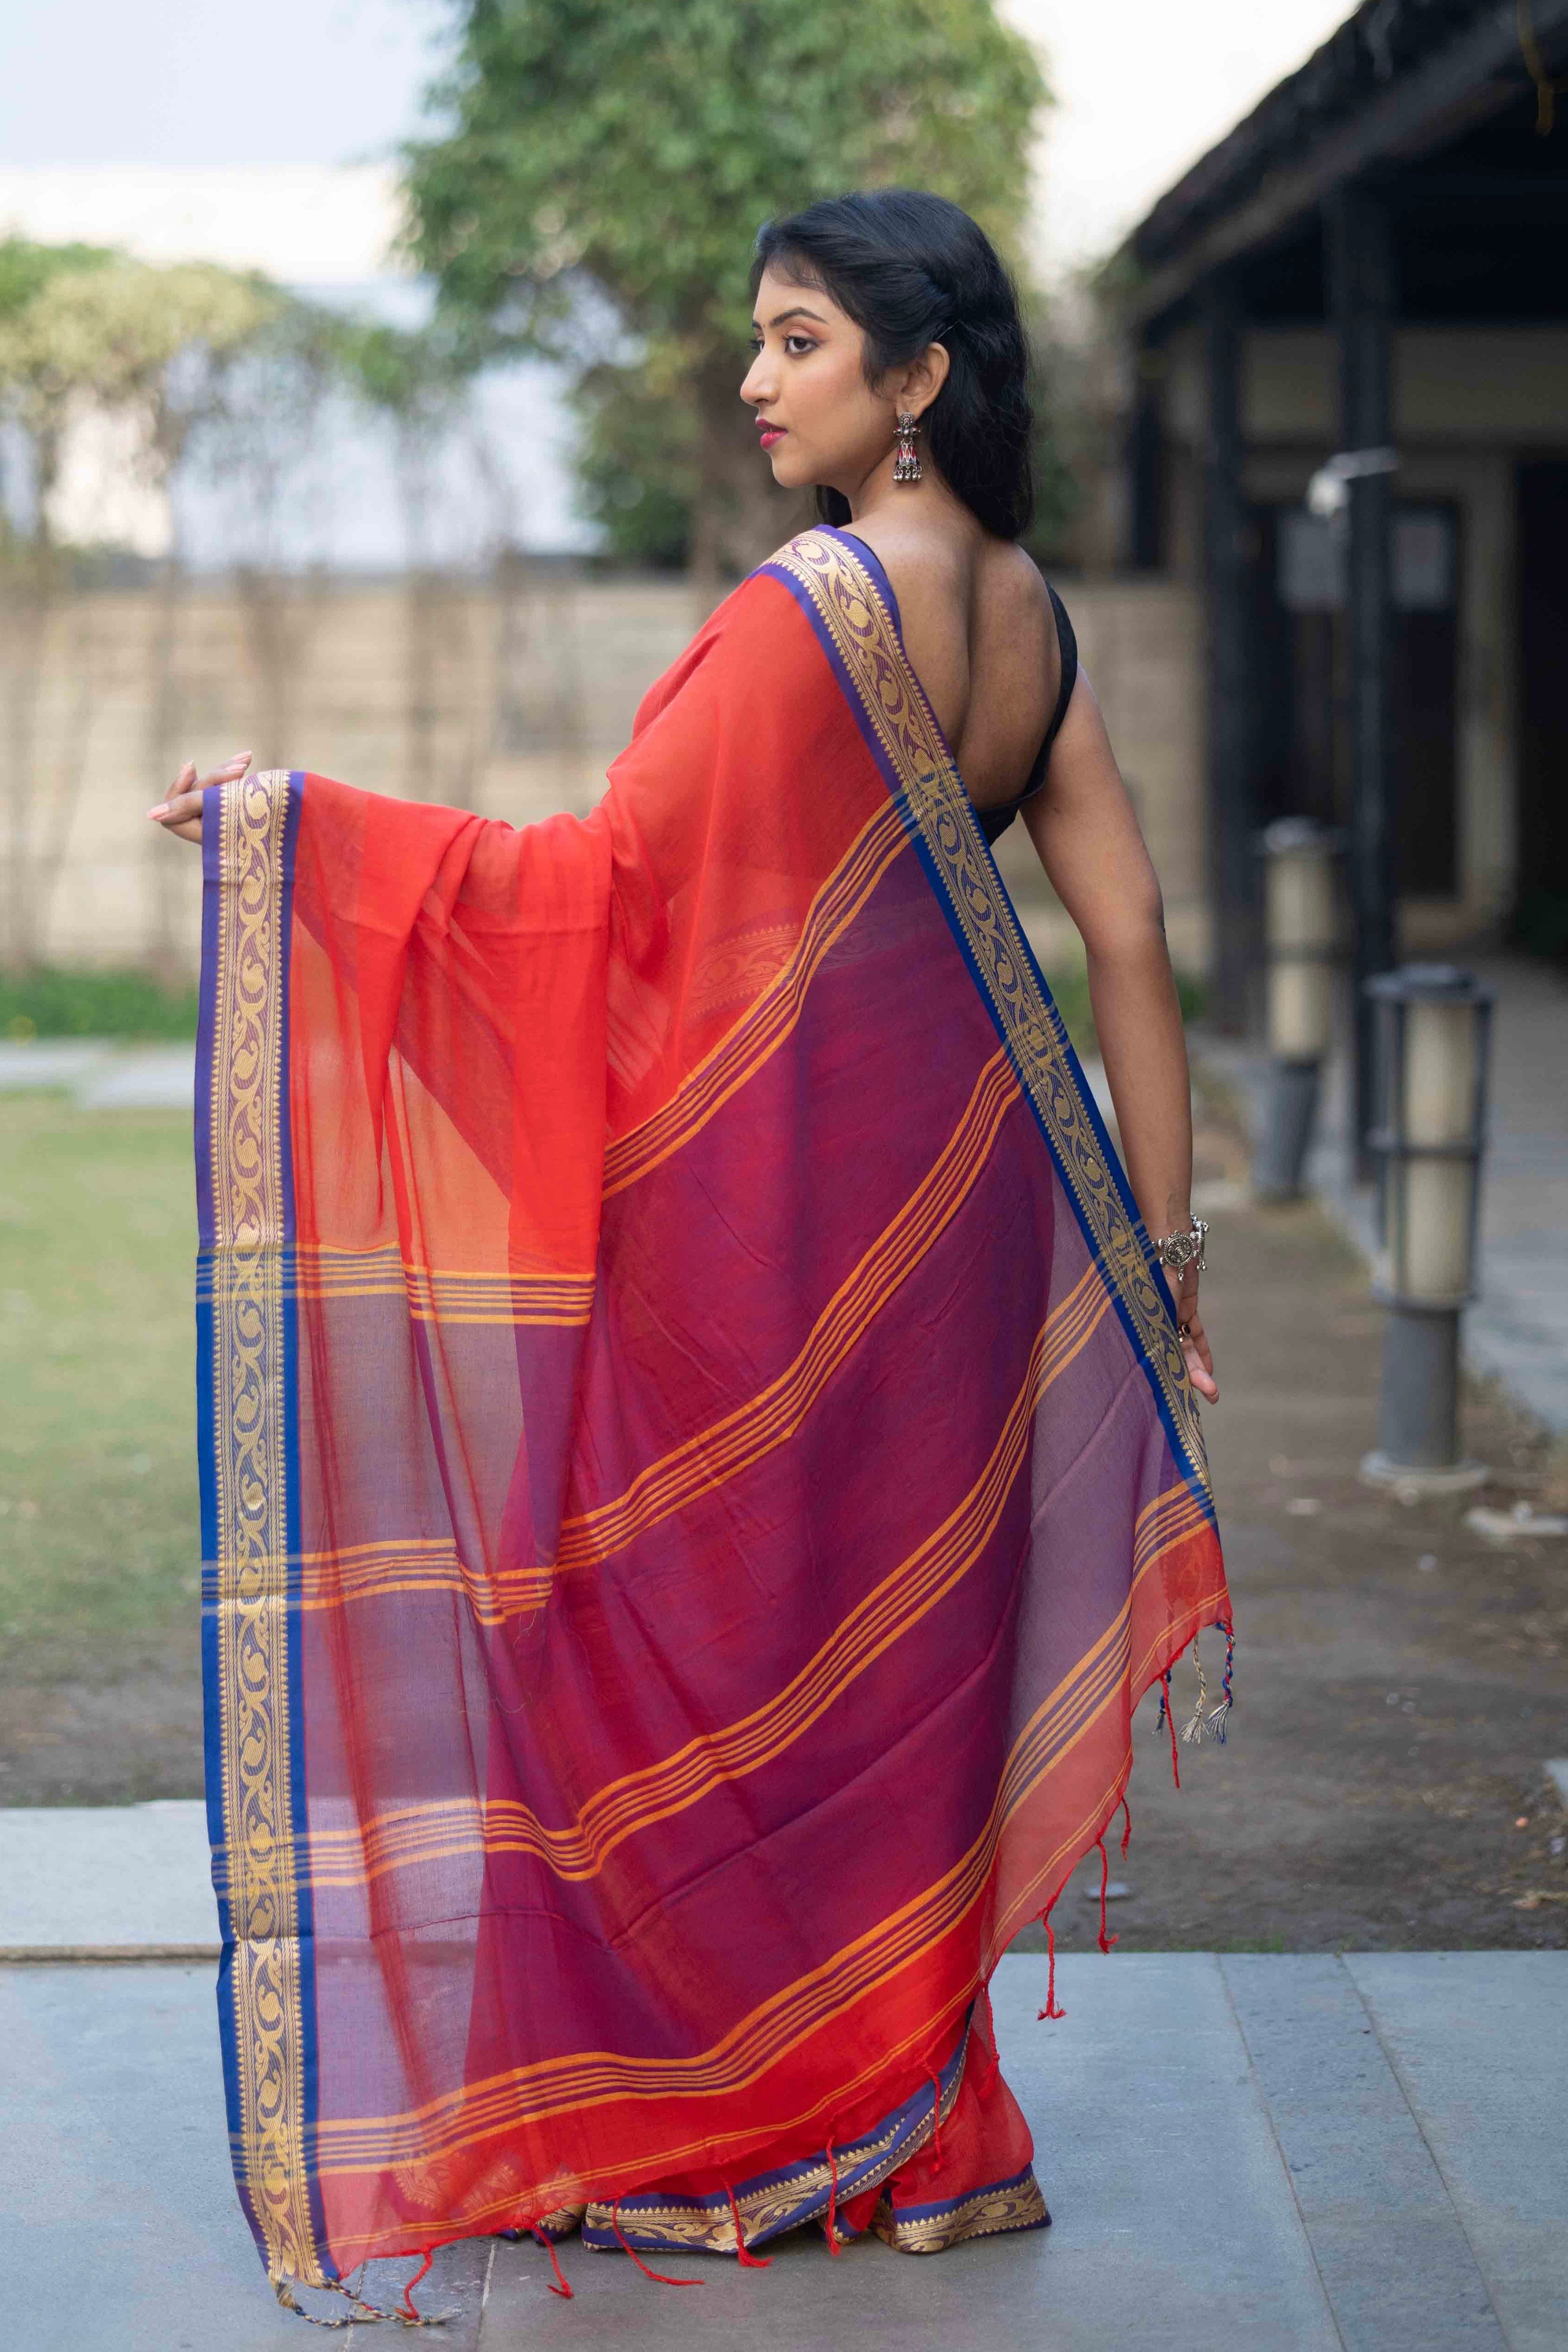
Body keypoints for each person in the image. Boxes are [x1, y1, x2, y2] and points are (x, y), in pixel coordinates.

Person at [150, 189, 1227, 2322]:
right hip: (967, 1218)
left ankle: (726, 2109)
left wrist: (304, 834)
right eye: (759, 338)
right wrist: (1164, 1252)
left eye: (801, 340)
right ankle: (939, 2139)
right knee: (895, 1669)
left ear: (914, 379)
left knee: (692, 1656)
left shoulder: (811, 603)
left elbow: (597, 895)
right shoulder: (1034, 616)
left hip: (773, 1231)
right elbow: (1131, 939)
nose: (757, 377)